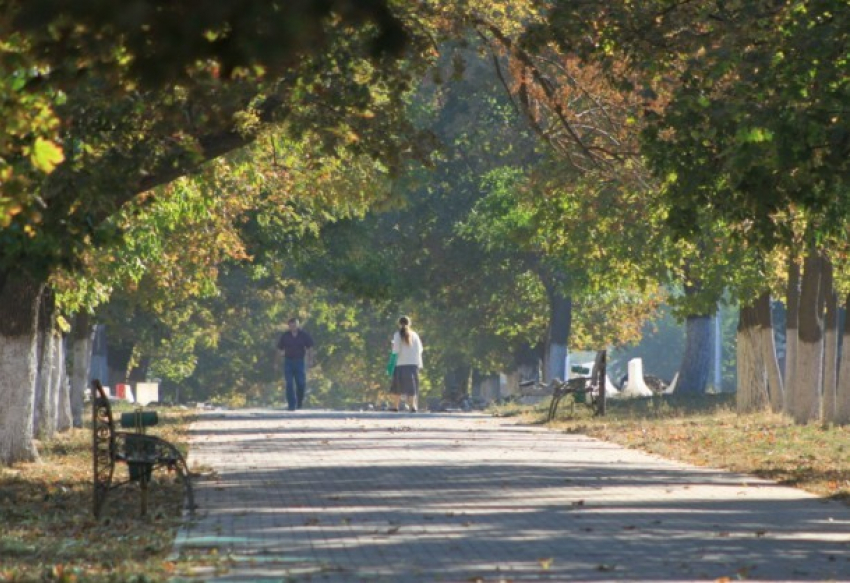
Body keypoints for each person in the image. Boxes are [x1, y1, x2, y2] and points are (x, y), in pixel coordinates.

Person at [277, 317, 314, 410]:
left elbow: (310, 347)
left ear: (298, 325)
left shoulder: (304, 335)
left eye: (295, 325)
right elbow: (279, 348)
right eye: (291, 325)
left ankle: (299, 402)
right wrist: (278, 360)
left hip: (299, 362)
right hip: (288, 361)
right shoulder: (285, 336)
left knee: (301, 383)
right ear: (289, 326)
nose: (293, 327)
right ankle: (291, 404)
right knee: (289, 383)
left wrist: (310, 360)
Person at [389, 316, 423, 412]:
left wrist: (392, 347)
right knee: (412, 386)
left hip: (401, 363)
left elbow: (395, 350)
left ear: (399, 324)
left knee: (397, 386)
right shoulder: (415, 335)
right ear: (410, 323)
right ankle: (413, 406)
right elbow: (420, 349)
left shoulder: (397, 335)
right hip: (413, 364)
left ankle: (395, 406)